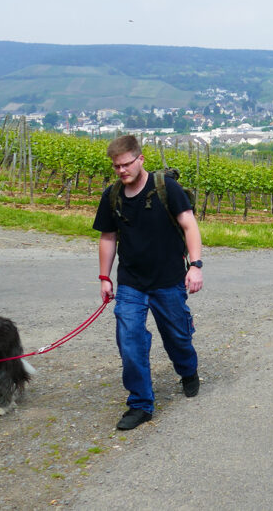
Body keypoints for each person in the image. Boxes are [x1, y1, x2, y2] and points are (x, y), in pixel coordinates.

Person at [93, 135, 203, 431]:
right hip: (131, 282)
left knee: (177, 337)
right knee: (130, 341)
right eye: (116, 166)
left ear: (141, 159)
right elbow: (107, 237)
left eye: (126, 164)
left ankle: (188, 371)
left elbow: (189, 224)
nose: (121, 171)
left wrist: (195, 266)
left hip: (169, 280)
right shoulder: (112, 195)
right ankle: (141, 404)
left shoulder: (168, 188)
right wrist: (105, 277)